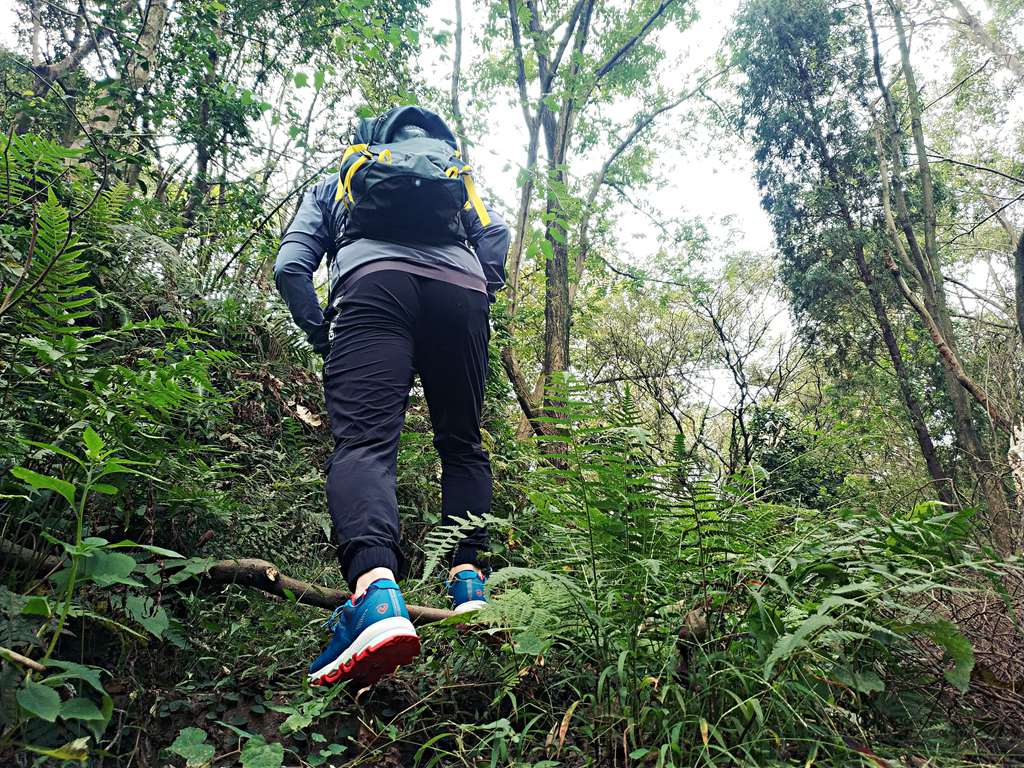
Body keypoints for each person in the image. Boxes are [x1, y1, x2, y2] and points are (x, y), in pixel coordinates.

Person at [273, 106, 509, 687]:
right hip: (462, 293)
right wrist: (477, 289)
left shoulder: (340, 180)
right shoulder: (455, 178)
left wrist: (323, 332)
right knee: (461, 443)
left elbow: (290, 268)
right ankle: (469, 583)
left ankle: (376, 594)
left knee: (365, 445)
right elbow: (496, 236)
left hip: (372, 286)